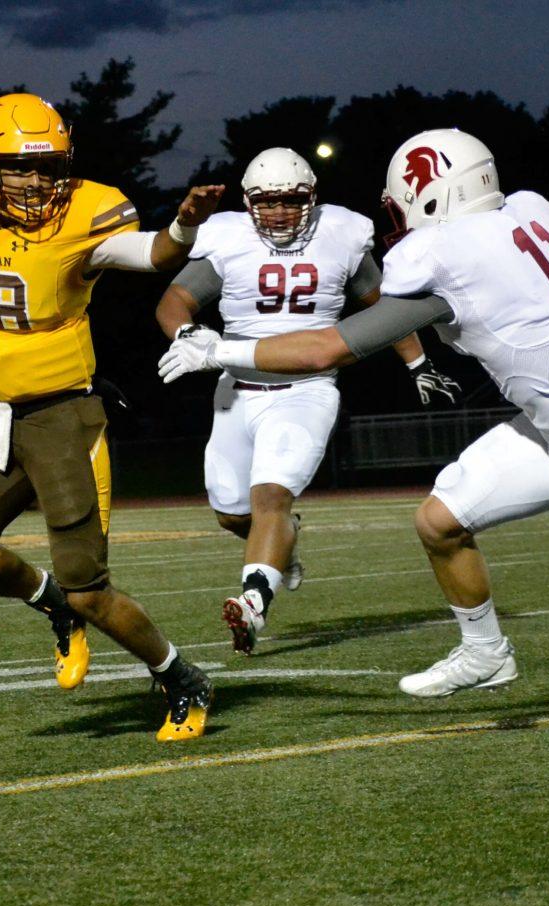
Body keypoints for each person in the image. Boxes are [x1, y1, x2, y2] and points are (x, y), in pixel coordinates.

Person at [157, 128, 549, 718]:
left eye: (405, 200)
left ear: (434, 195)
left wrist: (220, 350)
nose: (398, 213)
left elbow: (327, 349)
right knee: (440, 520)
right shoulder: (530, 219)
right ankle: (487, 653)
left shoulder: (444, 256)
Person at [0, 93, 224, 740]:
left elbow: (151, 256)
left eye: (49, 166)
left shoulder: (84, 215)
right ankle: (52, 604)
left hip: (64, 417)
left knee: (91, 586)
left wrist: (182, 226)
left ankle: (181, 675)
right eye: (19, 166)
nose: (37, 182)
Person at [154, 147, 460, 654]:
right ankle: (283, 545)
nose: (277, 212)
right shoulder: (229, 237)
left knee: (269, 498)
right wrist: (188, 335)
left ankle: (253, 603)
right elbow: (174, 300)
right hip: (236, 390)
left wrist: (418, 363)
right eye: (267, 202)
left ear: (311, 198)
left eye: (290, 200)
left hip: (306, 391)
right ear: (250, 202)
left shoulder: (340, 234)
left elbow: (382, 306)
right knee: (232, 514)